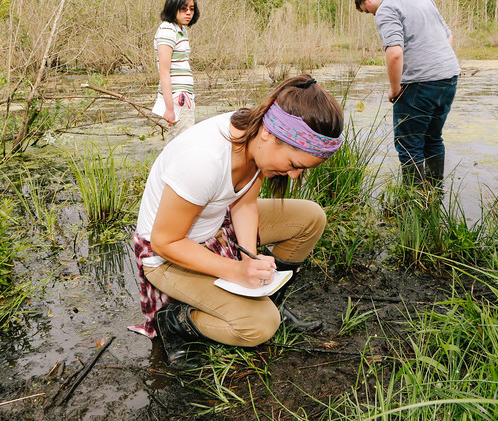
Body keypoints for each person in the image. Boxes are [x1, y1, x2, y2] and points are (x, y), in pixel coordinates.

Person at [129, 74, 344, 366]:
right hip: (168, 255)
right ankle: (175, 320)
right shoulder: (203, 161)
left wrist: (250, 258)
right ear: (270, 135)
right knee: (260, 326)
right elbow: (165, 242)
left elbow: (244, 202)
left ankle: (272, 300)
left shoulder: (253, 135)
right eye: (294, 165)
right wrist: (236, 271)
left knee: (311, 217)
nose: (294, 176)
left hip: (216, 227)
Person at [354, 0, 461, 189]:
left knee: (409, 144)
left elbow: (394, 53)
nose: (372, 14)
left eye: (367, 10)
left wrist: (395, 90)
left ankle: (414, 203)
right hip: (449, 77)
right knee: (433, 138)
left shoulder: (386, 8)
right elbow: (448, 37)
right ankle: (434, 194)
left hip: (419, 83)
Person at [154, 0, 200, 135]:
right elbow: (164, 71)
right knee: (183, 146)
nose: (188, 12)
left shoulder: (180, 30)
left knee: (179, 146)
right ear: (173, 7)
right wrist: (169, 108)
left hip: (183, 97)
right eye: (183, 8)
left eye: (191, 9)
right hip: (177, 99)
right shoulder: (167, 30)